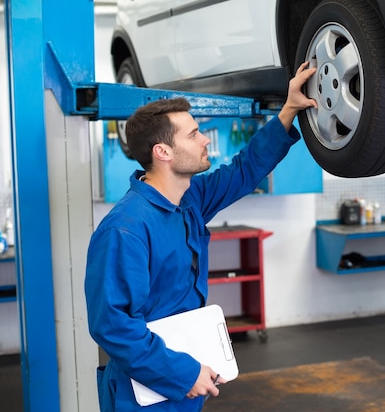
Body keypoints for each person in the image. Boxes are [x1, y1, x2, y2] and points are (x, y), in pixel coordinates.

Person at [85, 62, 317, 412]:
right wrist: (183, 373)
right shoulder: (125, 229)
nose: (205, 138)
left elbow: (244, 171)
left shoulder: (188, 199)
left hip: (185, 377)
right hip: (144, 391)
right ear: (162, 152)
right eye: (193, 134)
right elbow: (113, 326)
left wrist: (289, 110)